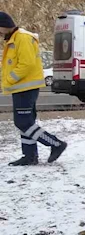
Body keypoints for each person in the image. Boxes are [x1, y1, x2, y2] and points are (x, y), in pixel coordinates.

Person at [0, 12, 67, 166]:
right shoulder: (15, 38)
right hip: (22, 88)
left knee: (23, 123)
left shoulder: (22, 38)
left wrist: (9, 79)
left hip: (25, 88)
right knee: (27, 122)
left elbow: (27, 64)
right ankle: (29, 156)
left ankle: (56, 144)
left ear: (4, 26)